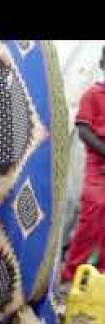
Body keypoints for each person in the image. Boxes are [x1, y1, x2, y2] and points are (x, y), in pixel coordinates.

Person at [62, 46, 105, 282]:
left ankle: (99, 275)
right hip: (97, 166)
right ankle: (72, 272)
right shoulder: (93, 94)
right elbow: (83, 130)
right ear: (102, 64)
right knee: (93, 213)